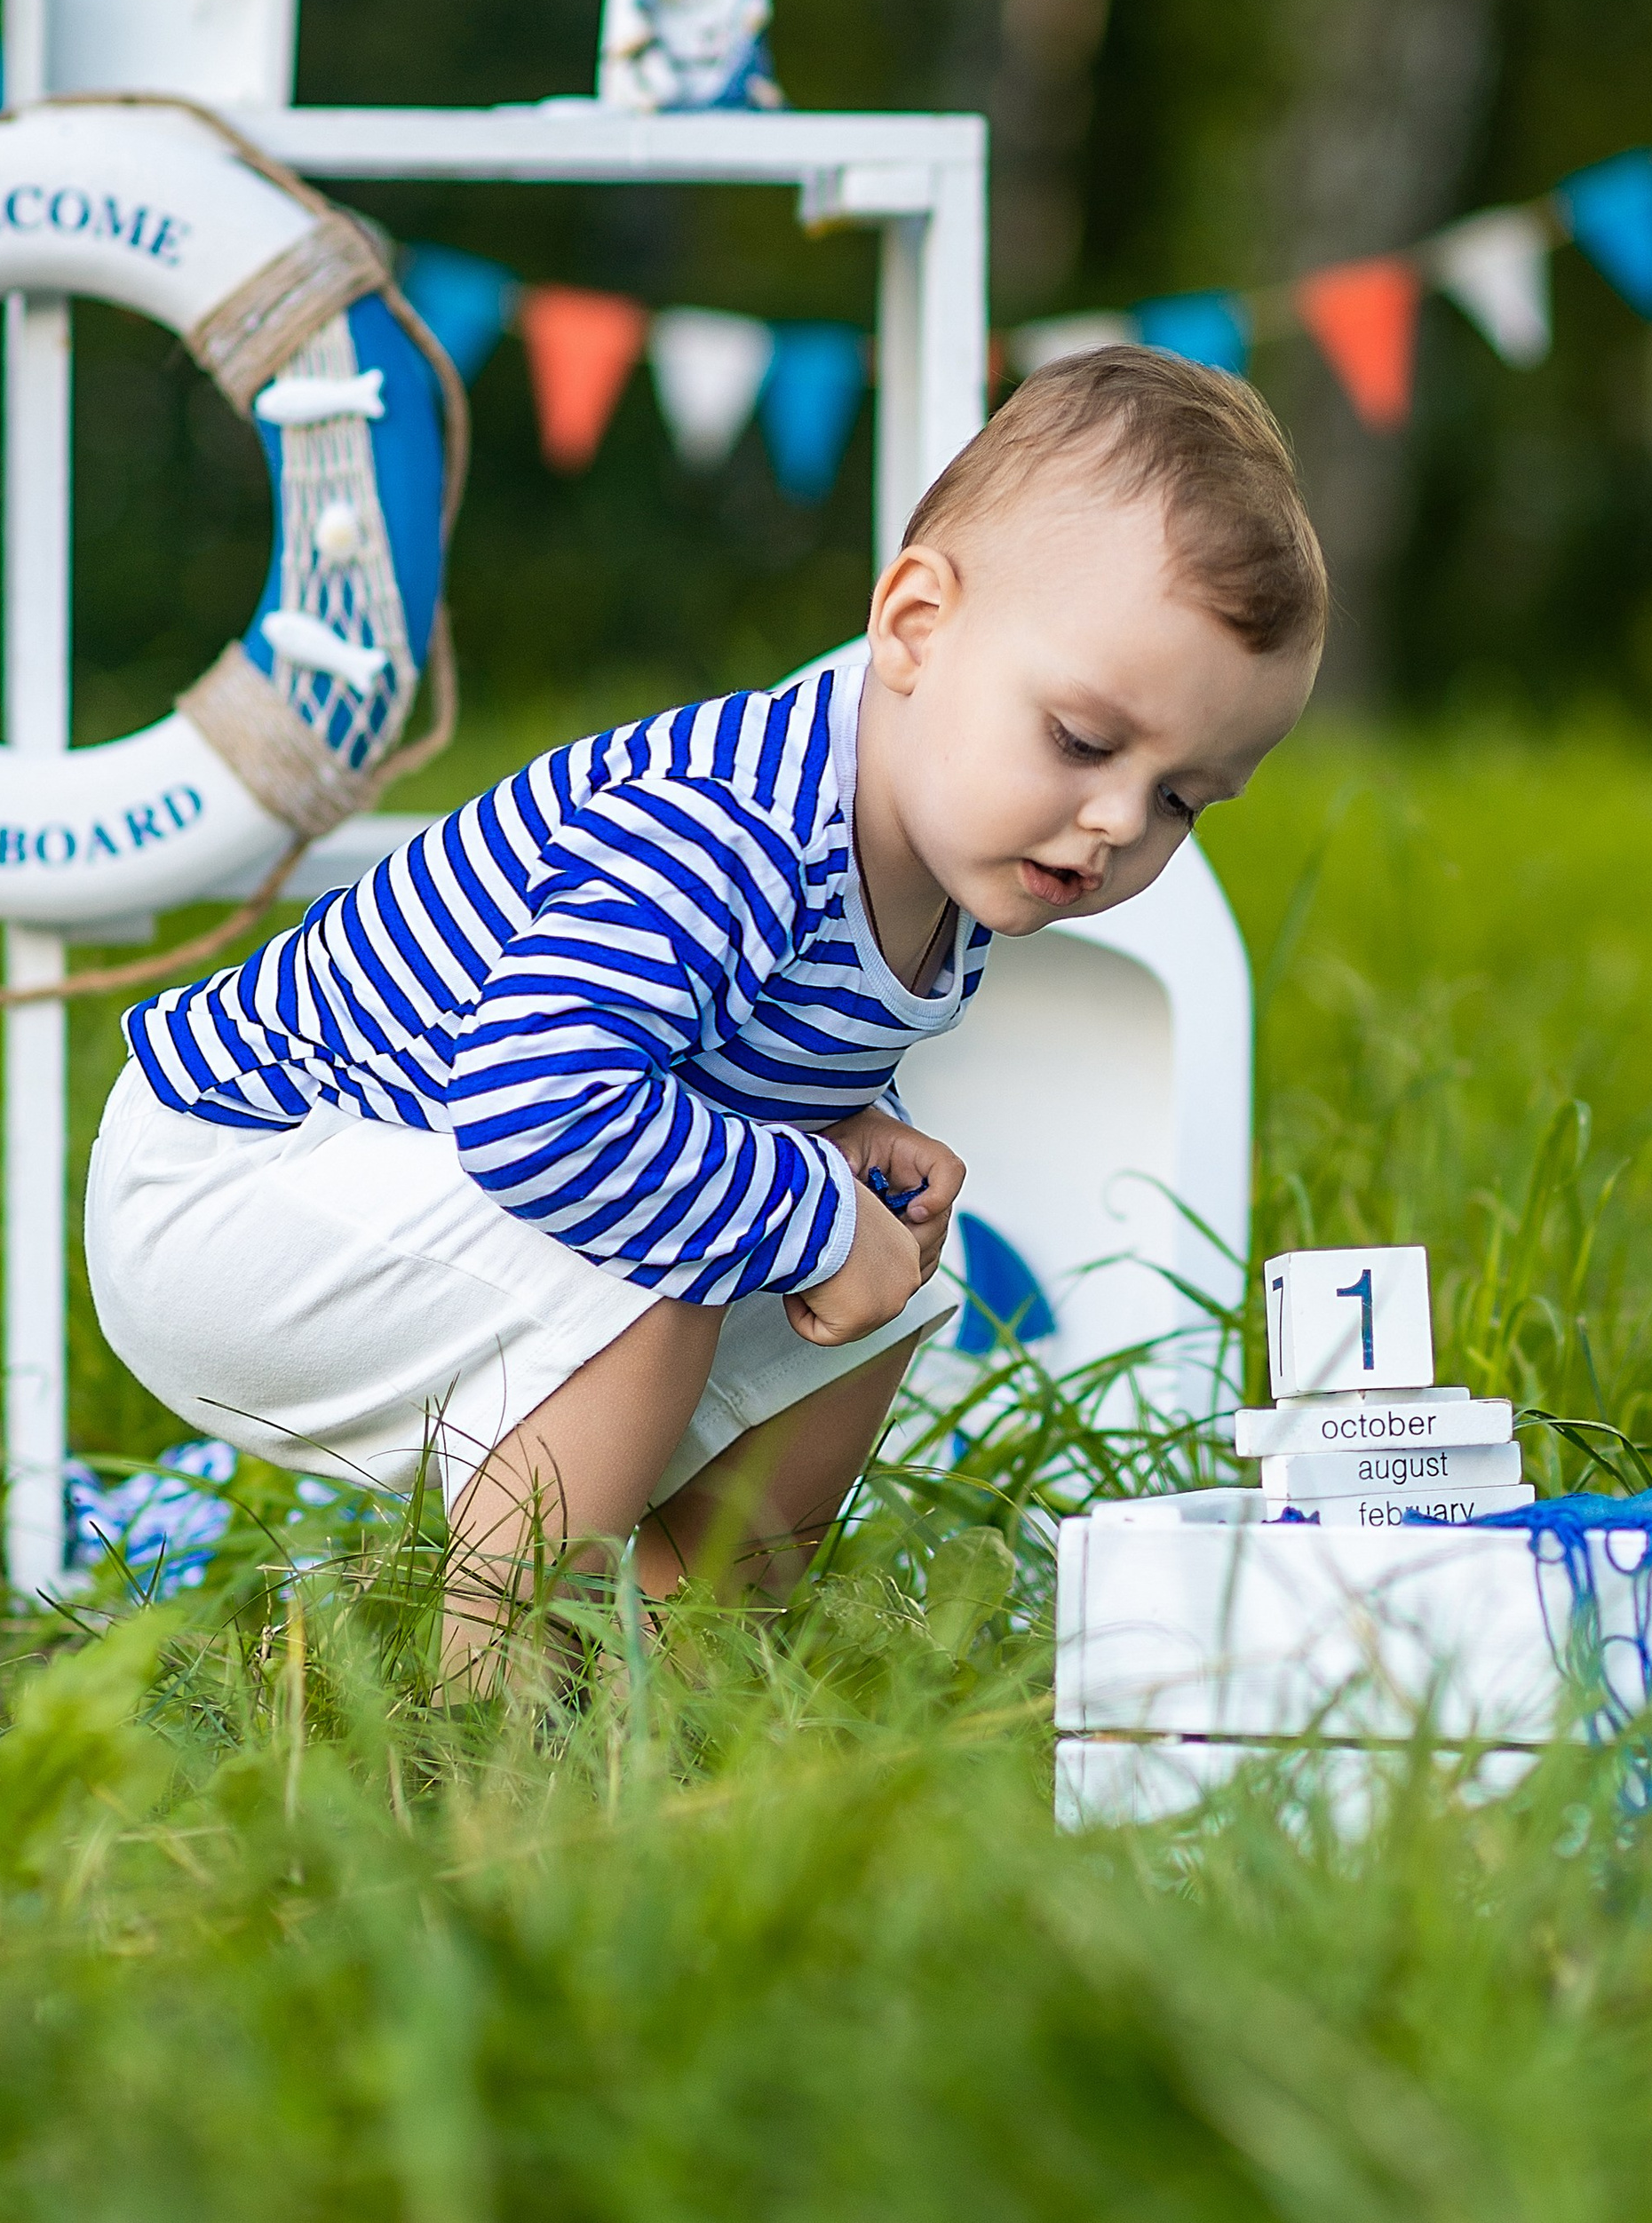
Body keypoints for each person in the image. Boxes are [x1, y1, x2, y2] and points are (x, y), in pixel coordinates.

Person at [85, 349, 1327, 1669]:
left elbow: (716, 1035)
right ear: (913, 626)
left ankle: (686, 1670)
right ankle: (490, 1711)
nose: (1118, 822)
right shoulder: (729, 826)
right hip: (236, 1180)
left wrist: (846, 1126)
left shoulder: (942, 865)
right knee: (677, 1249)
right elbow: (538, 1105)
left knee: (892, 1286)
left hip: (403, 1178)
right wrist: (800, 1206)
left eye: (1185, 796)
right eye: (1082, 740)